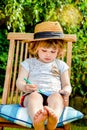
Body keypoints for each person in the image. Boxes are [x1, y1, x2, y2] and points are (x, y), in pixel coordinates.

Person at [16, 21, 72, 130]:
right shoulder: (28, 63)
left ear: (59, 51)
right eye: (44, 50)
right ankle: (38, 120)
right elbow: (19, 82)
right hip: (33, 94)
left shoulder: (61, 65)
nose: (48, 54)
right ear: (36, 48)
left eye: (53, 51)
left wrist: (66, 91)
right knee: (34, 97)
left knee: (57, 98)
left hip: (53, 94)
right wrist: (25, 86)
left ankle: (52, 119)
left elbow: (67, 85)